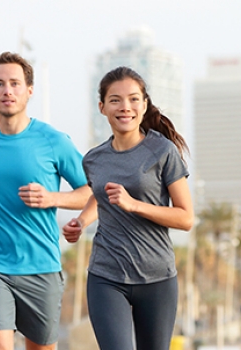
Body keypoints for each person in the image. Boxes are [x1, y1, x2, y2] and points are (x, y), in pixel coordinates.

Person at [0, 51, 90, 350]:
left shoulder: (54, 140)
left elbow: (90, 190)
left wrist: (51, 198)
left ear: (29, 91)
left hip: (41, 264)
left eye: (15, 83)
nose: (7, 90)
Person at [62, 66, 194, 350]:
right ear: (102, 107)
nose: (125, 107)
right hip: (106, 276)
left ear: (144, 105)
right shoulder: (95, 159)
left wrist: (134, 205)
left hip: (157, 278)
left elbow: (185, 218)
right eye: (115, 100)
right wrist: (82, 222)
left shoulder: (162, 152)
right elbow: (99, 194)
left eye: (134, 99)